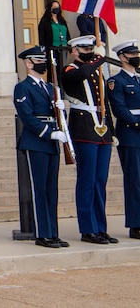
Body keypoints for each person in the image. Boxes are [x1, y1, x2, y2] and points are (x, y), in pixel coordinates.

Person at [61, 35, 116, 244]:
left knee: (100, 181)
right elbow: (82, 74)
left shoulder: (97, 71)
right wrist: (98, 60)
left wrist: (112, 131)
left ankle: (100, 228)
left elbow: (105, 102)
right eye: (84, 49)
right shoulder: (70, 71)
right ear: (74, 51)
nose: (88, 52)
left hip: (102, 130)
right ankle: (88, 228)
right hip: (84, 128)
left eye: (90, 49)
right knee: (87, 180)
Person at [13, 45, 69, 249]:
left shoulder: (49, 87)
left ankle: (53, 233)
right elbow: (27, 116)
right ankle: (43, 234)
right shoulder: (23, 87)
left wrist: (62, 112)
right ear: (28, 63)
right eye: (38, 60)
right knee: (40, 189)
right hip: (37, 141)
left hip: (53, 141)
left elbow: (59, 116)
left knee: (51, 189)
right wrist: (48, 132)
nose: (42, 64)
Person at [106, 39, 140, 240]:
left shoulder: (138, 79)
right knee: (135, 180)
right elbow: (119, 108)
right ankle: (136, 224)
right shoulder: (116, 82)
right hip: (130, 133)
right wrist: (137, 123)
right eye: (133, 55)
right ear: (122, 57)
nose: (136, 58)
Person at [37, 0, 69, 84]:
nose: (56, 9)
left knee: (63, 69)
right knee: (53, 69)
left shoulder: (62, 20)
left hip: (63, 48)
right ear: (50, 9)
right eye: (54, 8)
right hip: (52, 48)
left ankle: (63, 88)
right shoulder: (45, 21)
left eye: (58, 7)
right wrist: (43, 49)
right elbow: (42, 36)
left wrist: (70, 46)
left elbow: (67, 33)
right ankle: (53, 87)